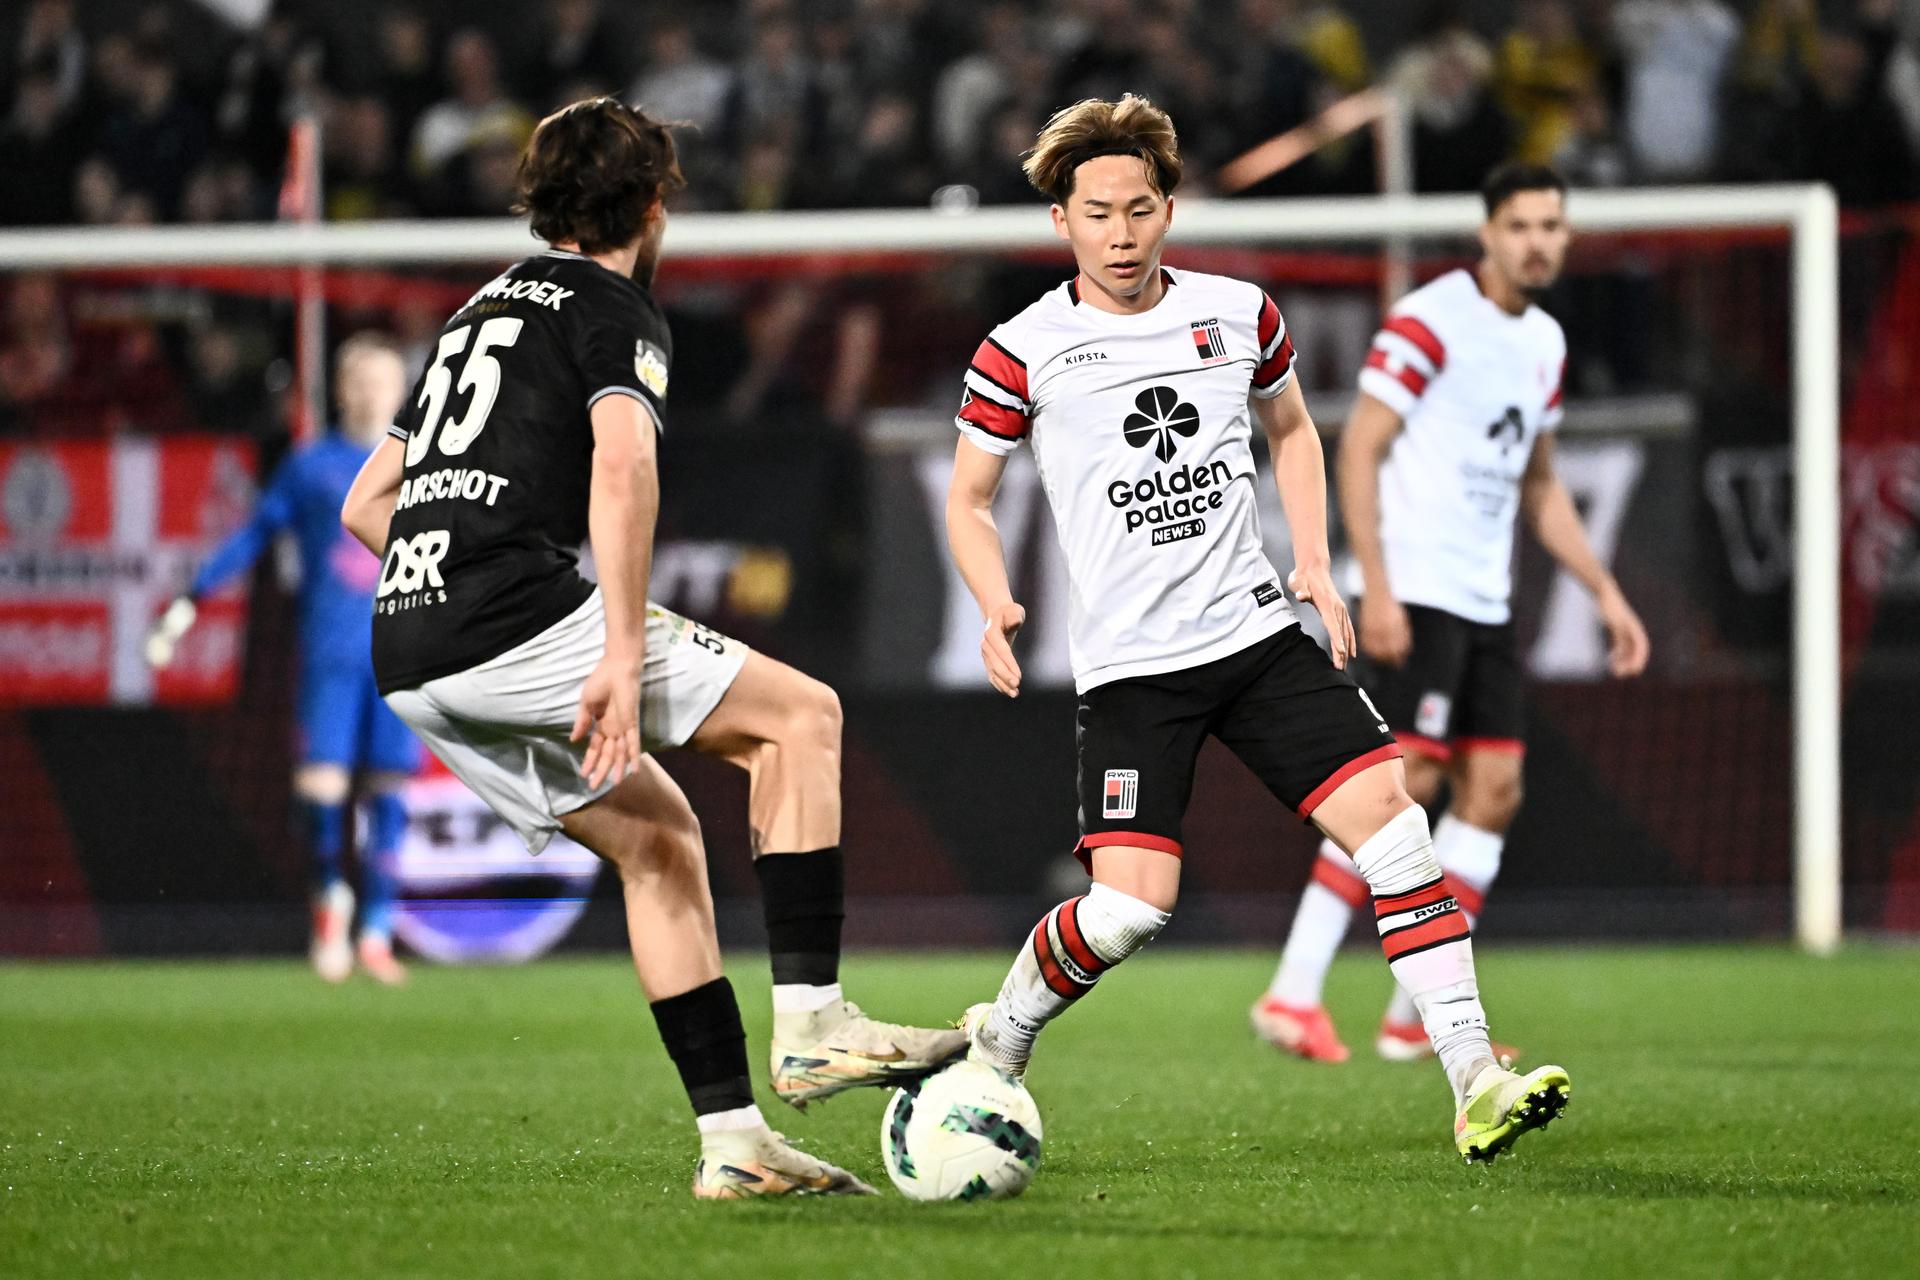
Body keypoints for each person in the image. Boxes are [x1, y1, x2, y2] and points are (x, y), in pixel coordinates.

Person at [339, 98, 956, 1198]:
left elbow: (365, 504)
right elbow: (622, 468)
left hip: (412, 646)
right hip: (509, 614)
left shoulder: (472, 312)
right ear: (655, 205)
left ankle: (735, 1142)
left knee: (661, 841)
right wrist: (616, 648)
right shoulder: (609, 305)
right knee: (802, 717)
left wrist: (455, 565)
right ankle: (814, 1021)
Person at [943, 95, 1569, 1163]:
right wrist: (992, 595)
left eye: (1141, 209)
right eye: (1098, 213)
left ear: (1170, 208)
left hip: (1255, 637)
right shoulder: (1020, 351)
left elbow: (1292, 427)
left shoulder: (1239, 312)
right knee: (1130, 908)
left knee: (1396, 823)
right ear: (1063, 222)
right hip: (1135, 670)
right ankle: (996, 1044)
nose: (1122, 233)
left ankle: (1474, 1076)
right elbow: (968, 498)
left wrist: (1318, 561)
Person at [1253, 163, 1650, 1065]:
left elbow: (1540, 483)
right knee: (1409, 784)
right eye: (1521, 225)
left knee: (1496, 792)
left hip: (1487, 602)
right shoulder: (1435, 318)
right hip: (1420, 588)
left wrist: (1604, 590)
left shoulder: (1543, 343)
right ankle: (1293, 991)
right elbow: (1358, 446)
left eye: (1552, 225)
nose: (1538, 241)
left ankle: (1409, 1017)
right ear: (1489, 232)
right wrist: (1377, 586)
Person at [146, 333, 421, 986]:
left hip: (405, 653)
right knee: (320, 790)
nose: (373, 392)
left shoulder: (429, 464)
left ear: (402, 391)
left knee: (389, 790)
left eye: (384, 381)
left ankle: (378, 932)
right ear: (341, 388)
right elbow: (255, 533)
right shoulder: (314, 465)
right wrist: (192, 596)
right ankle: (331, 903)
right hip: (330, 651)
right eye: (361, 380)